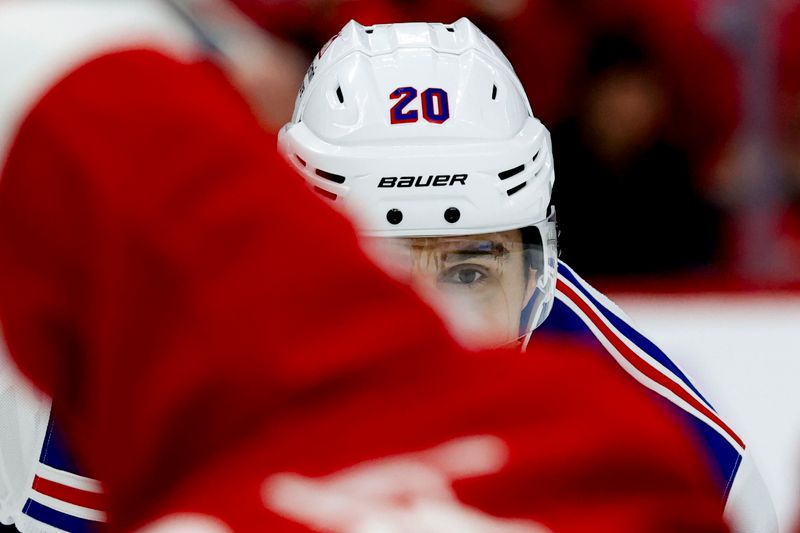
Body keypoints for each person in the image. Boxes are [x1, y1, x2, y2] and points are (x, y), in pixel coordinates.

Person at [0, 3, 732, 532]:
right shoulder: (112, 384)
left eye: (471, 270)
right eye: (384, 266)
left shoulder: (679, 447)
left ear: (540, 269)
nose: (432, 313)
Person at [278, 18, 778, 533]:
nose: (435, 328)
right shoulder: (215, 390)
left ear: (533, 277)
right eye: (388, 273)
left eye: (468, 274)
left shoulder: (687, 468)